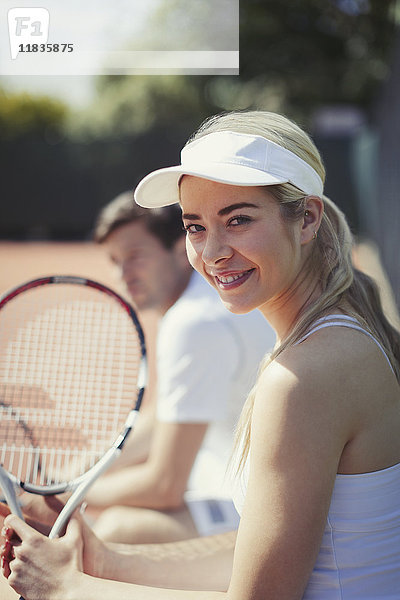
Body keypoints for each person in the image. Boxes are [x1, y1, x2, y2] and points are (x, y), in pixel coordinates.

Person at [2, 109, 400, 599]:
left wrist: (65, 589)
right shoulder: (334, 337)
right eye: (195, 227)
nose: (212, 251)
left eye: (238, 220)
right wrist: (102, 561)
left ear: (307, 219)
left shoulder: (305, 374)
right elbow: (259, 553)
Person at [84, 193, 275, 543]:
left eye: (135, 257)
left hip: (266, 514)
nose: (121, 274)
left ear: (179, 250)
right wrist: (77, 473)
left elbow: (165, 485)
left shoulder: (193, 322)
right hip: (245, 478)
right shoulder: (212, 296)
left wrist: (68, 496)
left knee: (114, 532)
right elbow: (167, 416)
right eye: (114, 260)